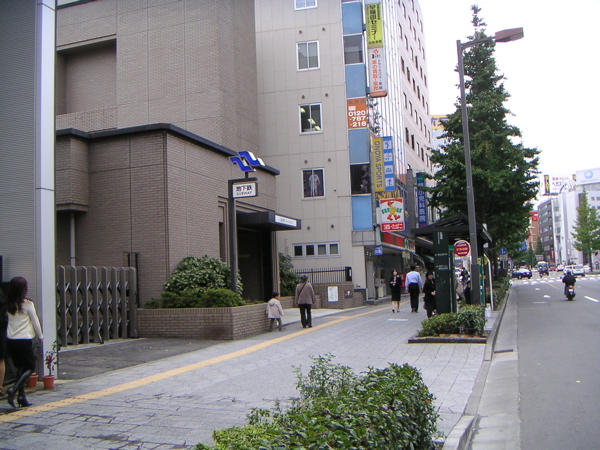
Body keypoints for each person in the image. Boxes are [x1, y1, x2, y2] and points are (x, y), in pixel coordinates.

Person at [5, 276, 44, 408]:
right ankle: (14, 389)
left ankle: (21, 397)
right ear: (24, 289)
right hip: (24, 340)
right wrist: (40, 336)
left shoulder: (8, 304)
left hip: (11, 340)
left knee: (20, 368)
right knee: (30, 367)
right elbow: (35, 321)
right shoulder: (27, 304)